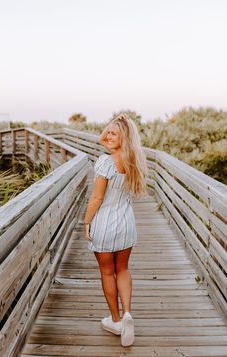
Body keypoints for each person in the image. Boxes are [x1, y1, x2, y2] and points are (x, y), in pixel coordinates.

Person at [83, 113, 148, 347]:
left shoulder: (105, 162)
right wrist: (121, 124)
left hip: (105, 223)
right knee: (123, 268)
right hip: (126, 222)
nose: (107, 136)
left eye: (113, 133)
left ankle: (116, 320)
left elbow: (97, 198)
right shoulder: (133, 160)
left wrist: (86, 221)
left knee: (107, 272)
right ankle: (128, 313)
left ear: (124, 138)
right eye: (107, 132)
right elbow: (105, 140)